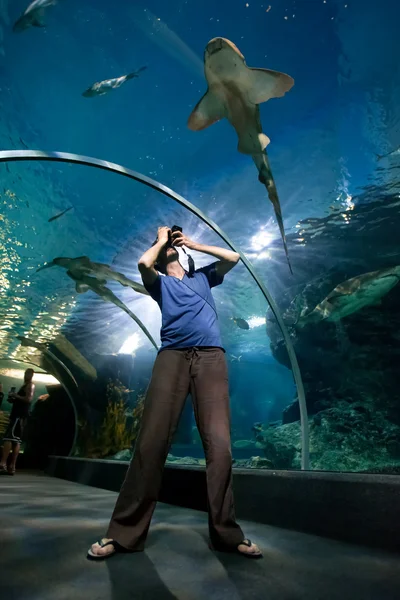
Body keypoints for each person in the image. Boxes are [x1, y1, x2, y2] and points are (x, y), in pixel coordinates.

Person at [88, 226, 262, 560]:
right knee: (151, 443)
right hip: (172, 356)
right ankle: (123, 533)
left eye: (173, 246)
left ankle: (227, 533)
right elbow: (142, 265)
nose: (169, 248)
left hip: (211, 357)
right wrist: (161, 238)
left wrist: (193, 243)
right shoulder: (160, 284)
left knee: (221, 447)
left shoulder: (204, 278)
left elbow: (234, 257)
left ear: (186, 255)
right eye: (165, 246)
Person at [0, 369, 35, 476]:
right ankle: (12, 466)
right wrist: (13, 399)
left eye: (28, 374)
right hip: (19, 416)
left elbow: (28, 399)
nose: (26, 375)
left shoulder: (30, 385)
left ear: (32, 375)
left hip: (18, 416)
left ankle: (2, 464)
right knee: (16, 441)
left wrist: (16, 395)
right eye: (25, 373)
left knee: (9, 438)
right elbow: (23, 399)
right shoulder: (24, 386)